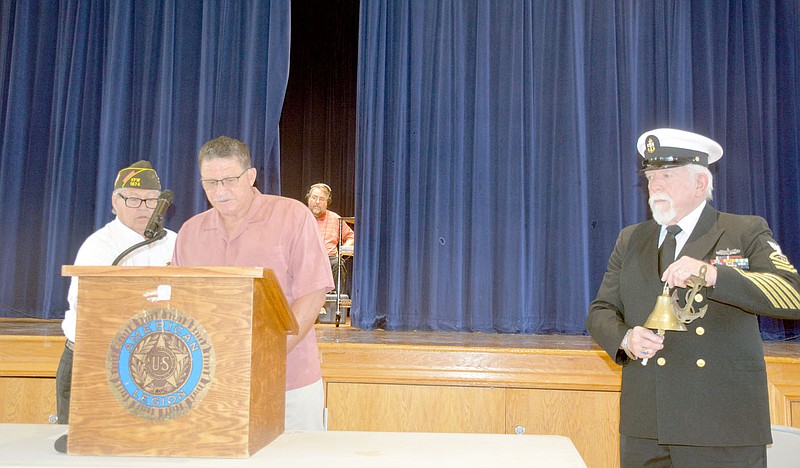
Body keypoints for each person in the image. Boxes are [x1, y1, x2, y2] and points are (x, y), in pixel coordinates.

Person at [586, 128, 800, 467]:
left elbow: (793, 295)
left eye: (667, 176)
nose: (654, 186)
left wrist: (713, 275)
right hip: (646, 422)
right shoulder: (631, 239)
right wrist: (626, 337)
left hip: (719, 423)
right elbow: (601, 310)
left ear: (700, 183)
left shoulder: (743, 231)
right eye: (651, 177)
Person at [172, 136, 334, 431]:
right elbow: (181, 307)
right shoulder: (189, 232)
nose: (220, 192)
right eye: (211, 183)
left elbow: (312, 297)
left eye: (230, 180)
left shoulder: (292, 216)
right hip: (213, 385)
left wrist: (263, 355)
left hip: (289, 381)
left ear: (251, 176)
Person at [55, 160, 177, 451]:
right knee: (84, 451)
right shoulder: (99, 247)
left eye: (151, 200)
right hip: (92, 364)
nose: (144, 208)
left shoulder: (176, 242)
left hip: (151, 367)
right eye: (133, 200)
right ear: (115, 201)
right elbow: (93, 307)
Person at [306, 182, 354, 292]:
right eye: (314, 198)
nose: (317, 202)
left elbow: (352, 237)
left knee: (338, 263)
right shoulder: (300, 216)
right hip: (306, 258)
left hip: (329, 258)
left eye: (321, 199)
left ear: (327, 203)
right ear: (308, 199)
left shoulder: (335, 218)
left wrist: (342, 251)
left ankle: (334, 303)